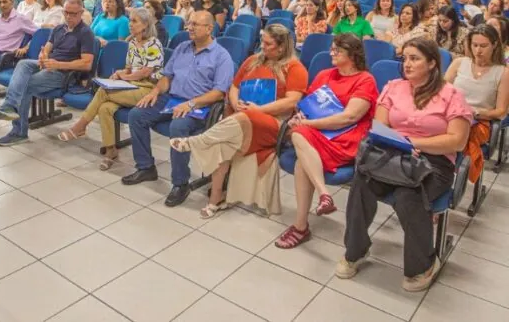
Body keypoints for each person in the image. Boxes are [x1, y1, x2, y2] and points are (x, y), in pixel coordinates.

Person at [338, 38, 472, 291]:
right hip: (393, 153)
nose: (406, 64)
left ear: (432, 63)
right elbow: (380, 126)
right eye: (405, 58)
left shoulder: (451, 95)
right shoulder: (394, 87)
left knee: (408, 194)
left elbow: (456, 141)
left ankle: (422, 264)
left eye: (414, 58)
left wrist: (414, 141)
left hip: (434, 162)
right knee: (361, 183)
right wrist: (403, 143)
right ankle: (355, 250)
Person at [171, 25, 307, 217]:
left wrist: (258, 110)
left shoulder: (295, 68)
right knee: (222, 143)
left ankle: (197, 142)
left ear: (282, 47)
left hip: (273, 123)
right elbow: (234, 87)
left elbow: (292, 101)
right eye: (262, 41)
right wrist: (236, 104)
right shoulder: (253, 60)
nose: (263, 46)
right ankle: (215, 199)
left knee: (243, 119)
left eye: (268, 44)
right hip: (243, 117)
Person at [275, 34, 378, 249]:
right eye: (332, 49)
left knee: (299, 135)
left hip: (344, 140)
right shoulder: (324, 74)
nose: (331, 53)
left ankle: (308, 217)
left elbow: (349, 118)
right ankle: (306, 219)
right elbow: (307, 105)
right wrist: (299, 117)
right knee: (301, 149)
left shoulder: (365, 80)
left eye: (337, 51)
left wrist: (307, 125)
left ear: (353, 55)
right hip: (316, 136)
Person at [121, 11, 234, 208]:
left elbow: (218, 93)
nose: (189, 27)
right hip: (171, 98)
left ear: (209, 29)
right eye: (189, 23)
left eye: (195, 25)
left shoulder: (222, 56)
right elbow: (167, 76)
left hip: (198, 106)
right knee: (136, 115)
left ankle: (180, 183)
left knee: (178, 127)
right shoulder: (182, 47)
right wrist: (155, 91)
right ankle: (146, 167)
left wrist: (190, 104)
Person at [57, 8, 165, 169]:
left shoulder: (154, 44)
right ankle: (110, 151)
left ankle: (80, 126)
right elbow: (130, 69)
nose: (130, 24)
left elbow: (145, 72)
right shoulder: (133, 43)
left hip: (148, 89)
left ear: (145, 25)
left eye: (134, 21)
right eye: (130, 20)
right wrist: (120, 74)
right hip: (131, 85)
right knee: (105, 108)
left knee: (104, 91)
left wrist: (124, 77)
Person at [0, 0, 96, 145]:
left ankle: (19, 132)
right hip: (50, 66)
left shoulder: (85, 33)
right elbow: (46, 48)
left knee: (24, 85)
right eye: (66, 13)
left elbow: (87, 64)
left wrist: (57, 64)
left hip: (64, 74)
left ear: (81, 12)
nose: (69, 17)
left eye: (73, 14)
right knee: (23, 64)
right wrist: (42, 55)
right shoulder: (59, 28)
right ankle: (9, 106)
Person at [445, 25, 509, 184]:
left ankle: (451, 175)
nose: (478, 50)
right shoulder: (459, 63)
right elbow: (441, 91)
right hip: (451, 113)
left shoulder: (503, 72)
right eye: (474, 45)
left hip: (479, 119)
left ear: (494, 45)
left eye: (483, 46)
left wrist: (475, 112)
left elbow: (501, 112)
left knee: (460, 133)